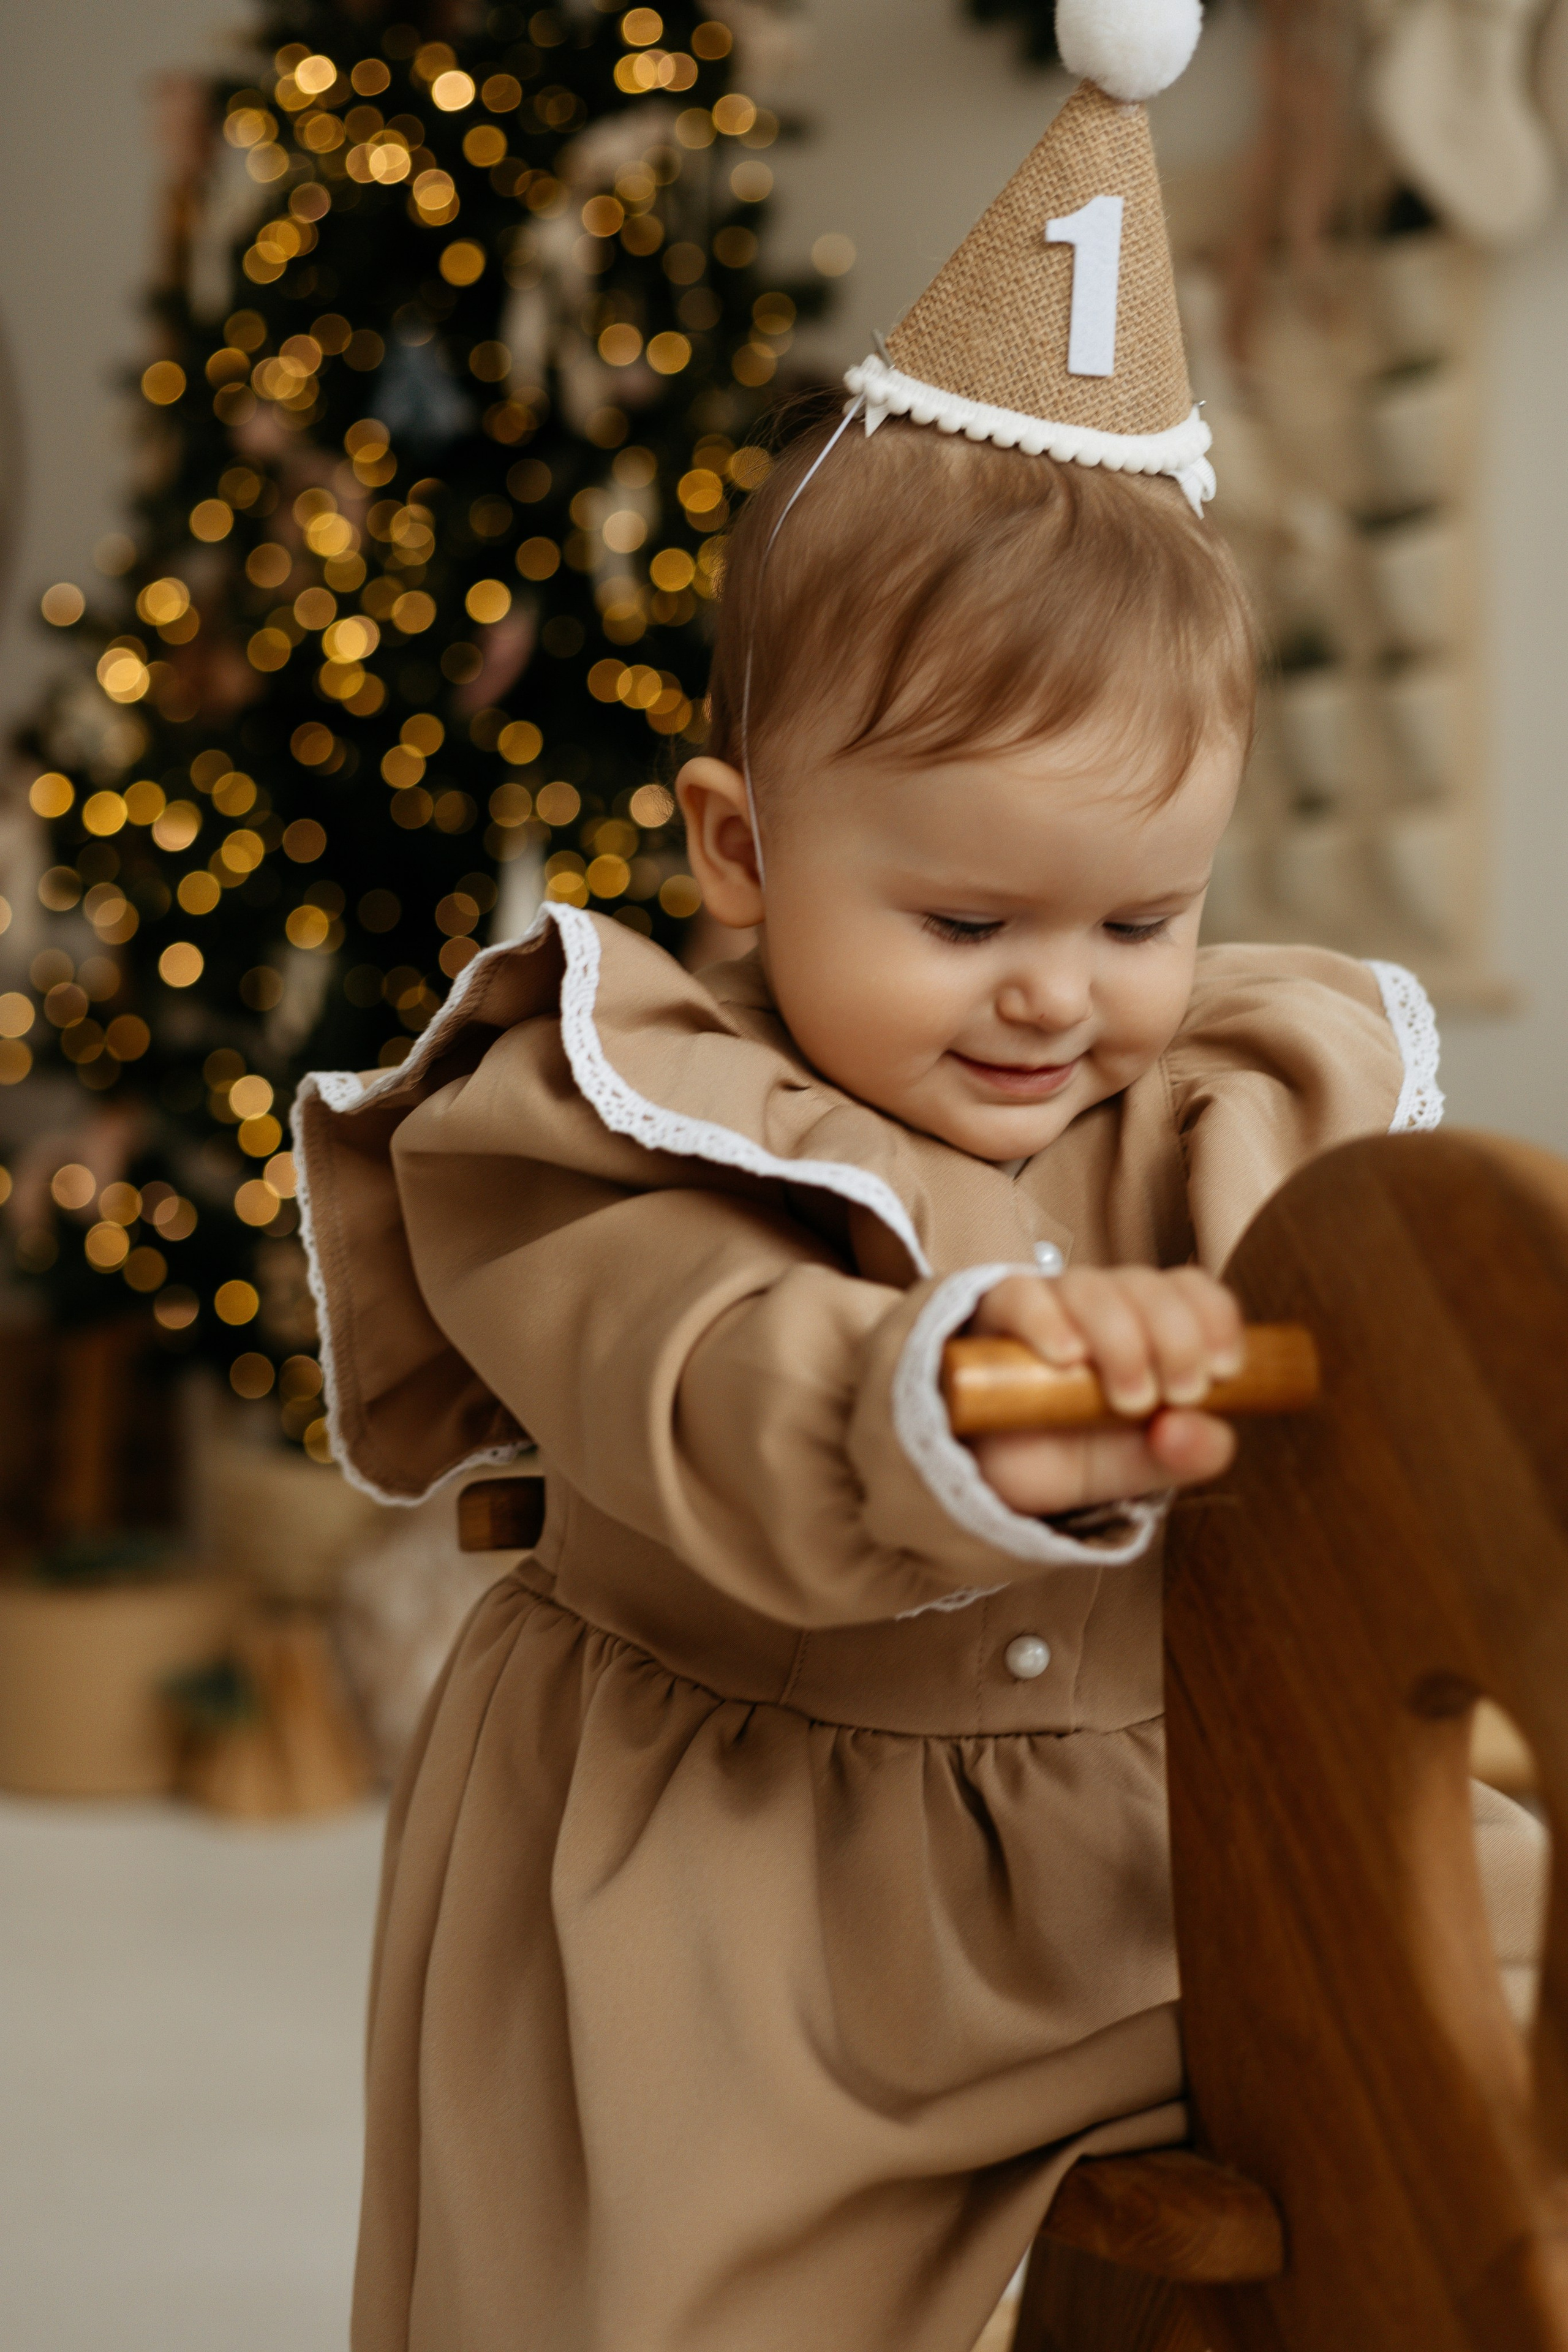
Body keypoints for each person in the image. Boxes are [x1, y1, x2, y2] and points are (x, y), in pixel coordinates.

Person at [295, 5, 1517, 2346]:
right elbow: (709, 1383)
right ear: (741, 851)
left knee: (1491, 2065)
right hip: (772, 1913)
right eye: (966, 923)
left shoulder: (1232, 1099)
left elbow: (1405, 1350)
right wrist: (960, 1390)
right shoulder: (602, 1119)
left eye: (1138, 919)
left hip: (1202, 1827)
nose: (1061, 996)